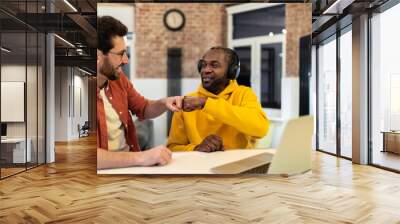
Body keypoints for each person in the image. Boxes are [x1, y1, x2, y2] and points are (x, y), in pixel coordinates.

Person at [97, 16, 183, 169]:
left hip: (128, 169)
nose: (126, 60)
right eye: (120, 54)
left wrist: (164, 102)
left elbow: (143, 108)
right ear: (97, 55)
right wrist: (142, 157)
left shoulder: (119, 79)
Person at [167, 47, 269, 152]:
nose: (206, 70)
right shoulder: (188, 103)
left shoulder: (244, 94)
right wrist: (196, 148)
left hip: (237, 165)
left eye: (214, 65)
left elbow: (261, 129)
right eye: (203, 65)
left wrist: (206, 103)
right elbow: (173, 148)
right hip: (200, 166)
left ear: (231, 72)